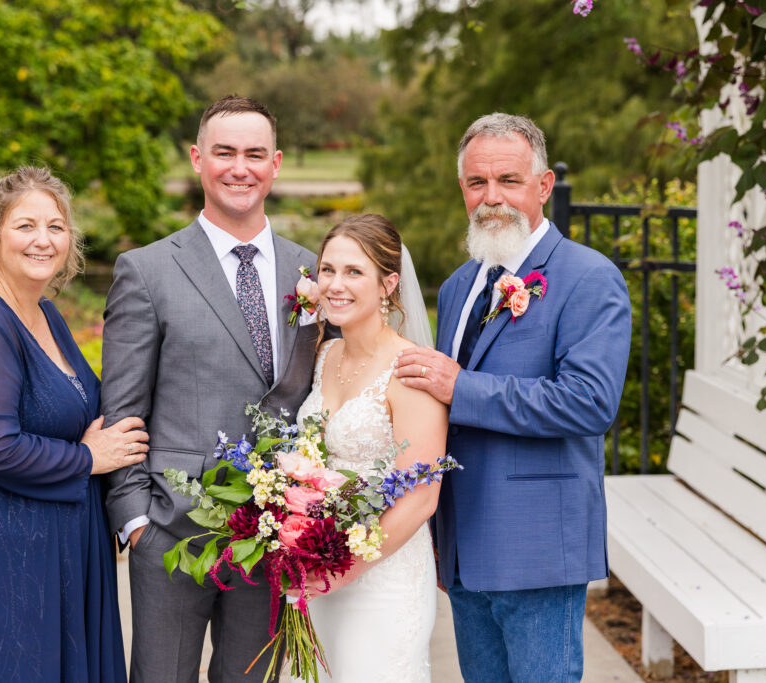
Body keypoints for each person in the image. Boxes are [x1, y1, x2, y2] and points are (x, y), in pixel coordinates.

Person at [395, 113, 632, 681]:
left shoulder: (587, 278)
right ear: (462, 189)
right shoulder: (458, 286)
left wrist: (462, 387)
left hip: (538, 547)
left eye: (509, 180)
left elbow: (589, 402)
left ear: (543, 186)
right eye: (477, 183)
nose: (491, 198)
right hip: (461, 546)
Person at [101, 96, 323, 682]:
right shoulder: (147, 270)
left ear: (276, 164)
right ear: (199, 159)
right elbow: (121, 408)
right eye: (224, 152)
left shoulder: (312, 272)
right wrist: (135, 522)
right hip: (171, 532)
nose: (239, 167)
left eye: (254, 154)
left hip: (273, 535)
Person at [0, 167, 148, 682]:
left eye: (56, 227)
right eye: (26, 226)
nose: (44, 240)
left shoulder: (44, 313)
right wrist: (89, 458)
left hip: (49, 549)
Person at [294, 214, 448, 682]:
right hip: (316, 574)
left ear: (389, 284)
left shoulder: (411, 371)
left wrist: (344, 568)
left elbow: (421, 497)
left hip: (384, 578)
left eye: (354, 272)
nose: (335, 285)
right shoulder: (324, 354)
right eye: (327, 270)